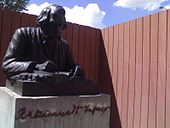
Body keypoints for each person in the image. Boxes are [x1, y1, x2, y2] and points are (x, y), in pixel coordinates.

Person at [2, 4, 84, 80]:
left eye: (60, 26)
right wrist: (35, 66)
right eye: (54, 25)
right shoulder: (24, 34)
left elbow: (71, 67)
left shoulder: (64, 46)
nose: (58, 30)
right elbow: (7, 65)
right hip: (31, 90)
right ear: (43, 22)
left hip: (57, 91)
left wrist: (77, 69)